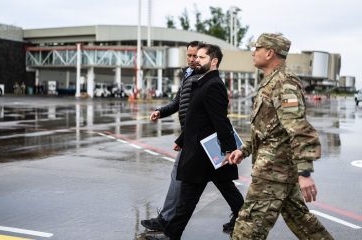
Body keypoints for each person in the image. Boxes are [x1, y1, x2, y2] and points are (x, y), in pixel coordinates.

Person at [226, 33, 334, 239]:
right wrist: (244, 149)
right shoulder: (270, 82)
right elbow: (269, 129)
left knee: (247, 229)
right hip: (276, 169)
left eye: (257, 48)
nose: (253, 53)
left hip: (274, 172)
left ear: (269, 52)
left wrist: (304, 174)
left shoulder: (284, 84)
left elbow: (299, 129)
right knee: (303, 223)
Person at [146, 44, 244, 240]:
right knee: (217, 188)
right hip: (202, 148)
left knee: (189, 195)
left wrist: (229, 150)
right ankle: (242, 216)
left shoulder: (213, 85)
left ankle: (171, 235)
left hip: (205, 151)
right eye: (195, 57)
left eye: (201, 57)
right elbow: (196, 117)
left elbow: (220, 121)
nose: (196, 60)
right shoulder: (201, 81)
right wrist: (182, 138)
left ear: (214, 61)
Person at [141, 40, 202, 231]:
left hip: (196, 137)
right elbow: (178, 102)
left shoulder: (203, 77)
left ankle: (168, 222)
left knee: (179, 176)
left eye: (196, 56)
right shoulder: (188, 74)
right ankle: (168, 222)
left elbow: (198, 113)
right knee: (223, 182)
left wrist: (183, 138)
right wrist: (161, 111)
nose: (192, 59)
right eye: (189, 55)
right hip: (192, 136)